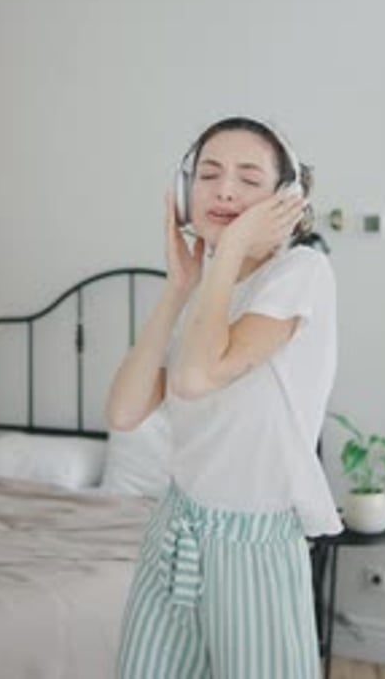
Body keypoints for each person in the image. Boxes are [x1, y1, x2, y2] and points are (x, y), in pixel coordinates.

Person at [107, 116, 342, 679]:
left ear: (287, 201)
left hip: (253, 544)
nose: (225, 190)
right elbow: (124, 411)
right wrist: (178, 288)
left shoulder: (303, 272)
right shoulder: (208, 292)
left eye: (248, 178)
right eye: (208, 175)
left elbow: (196, 377)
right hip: (177, 526)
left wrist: (231, 246)